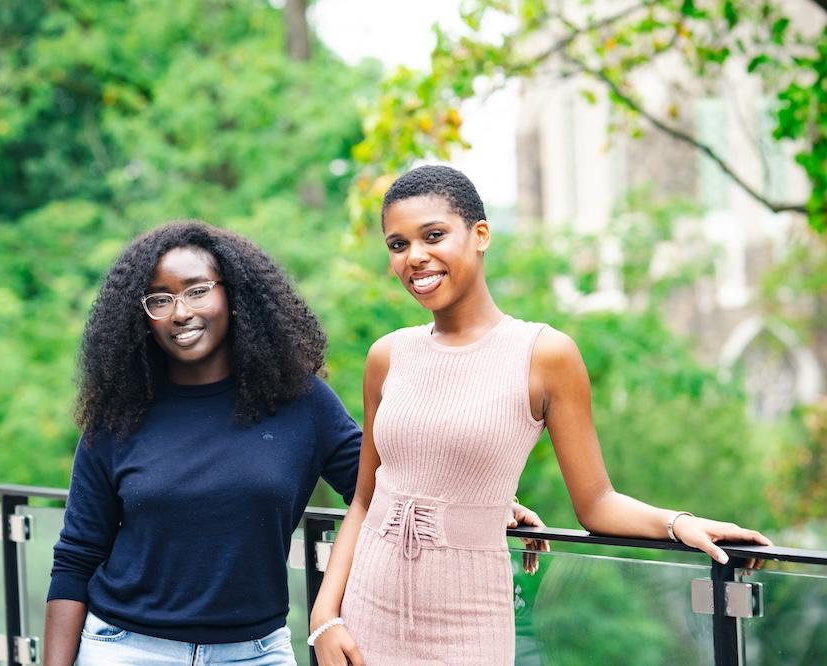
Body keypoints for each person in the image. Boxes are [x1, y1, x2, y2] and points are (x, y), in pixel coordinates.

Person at [308, 165, 773, 666]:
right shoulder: (388, 355)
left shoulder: (545, 355)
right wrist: (323, 619)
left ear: (480, 234)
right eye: (398, 245)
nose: (415, 257)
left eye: (434, 236)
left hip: (469, 624)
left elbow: (595, 503)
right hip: (364, 616)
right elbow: (364, 499)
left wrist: (680, 523)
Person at [44, 220, 545, 666]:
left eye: (197, 291)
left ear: (233, 297)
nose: (179, 312)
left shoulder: (300, 402)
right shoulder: (119, 416)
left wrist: (489, 506)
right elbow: (76, 557)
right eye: (160, 298)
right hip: (127, 648)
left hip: (256, 653)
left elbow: (381, 487)